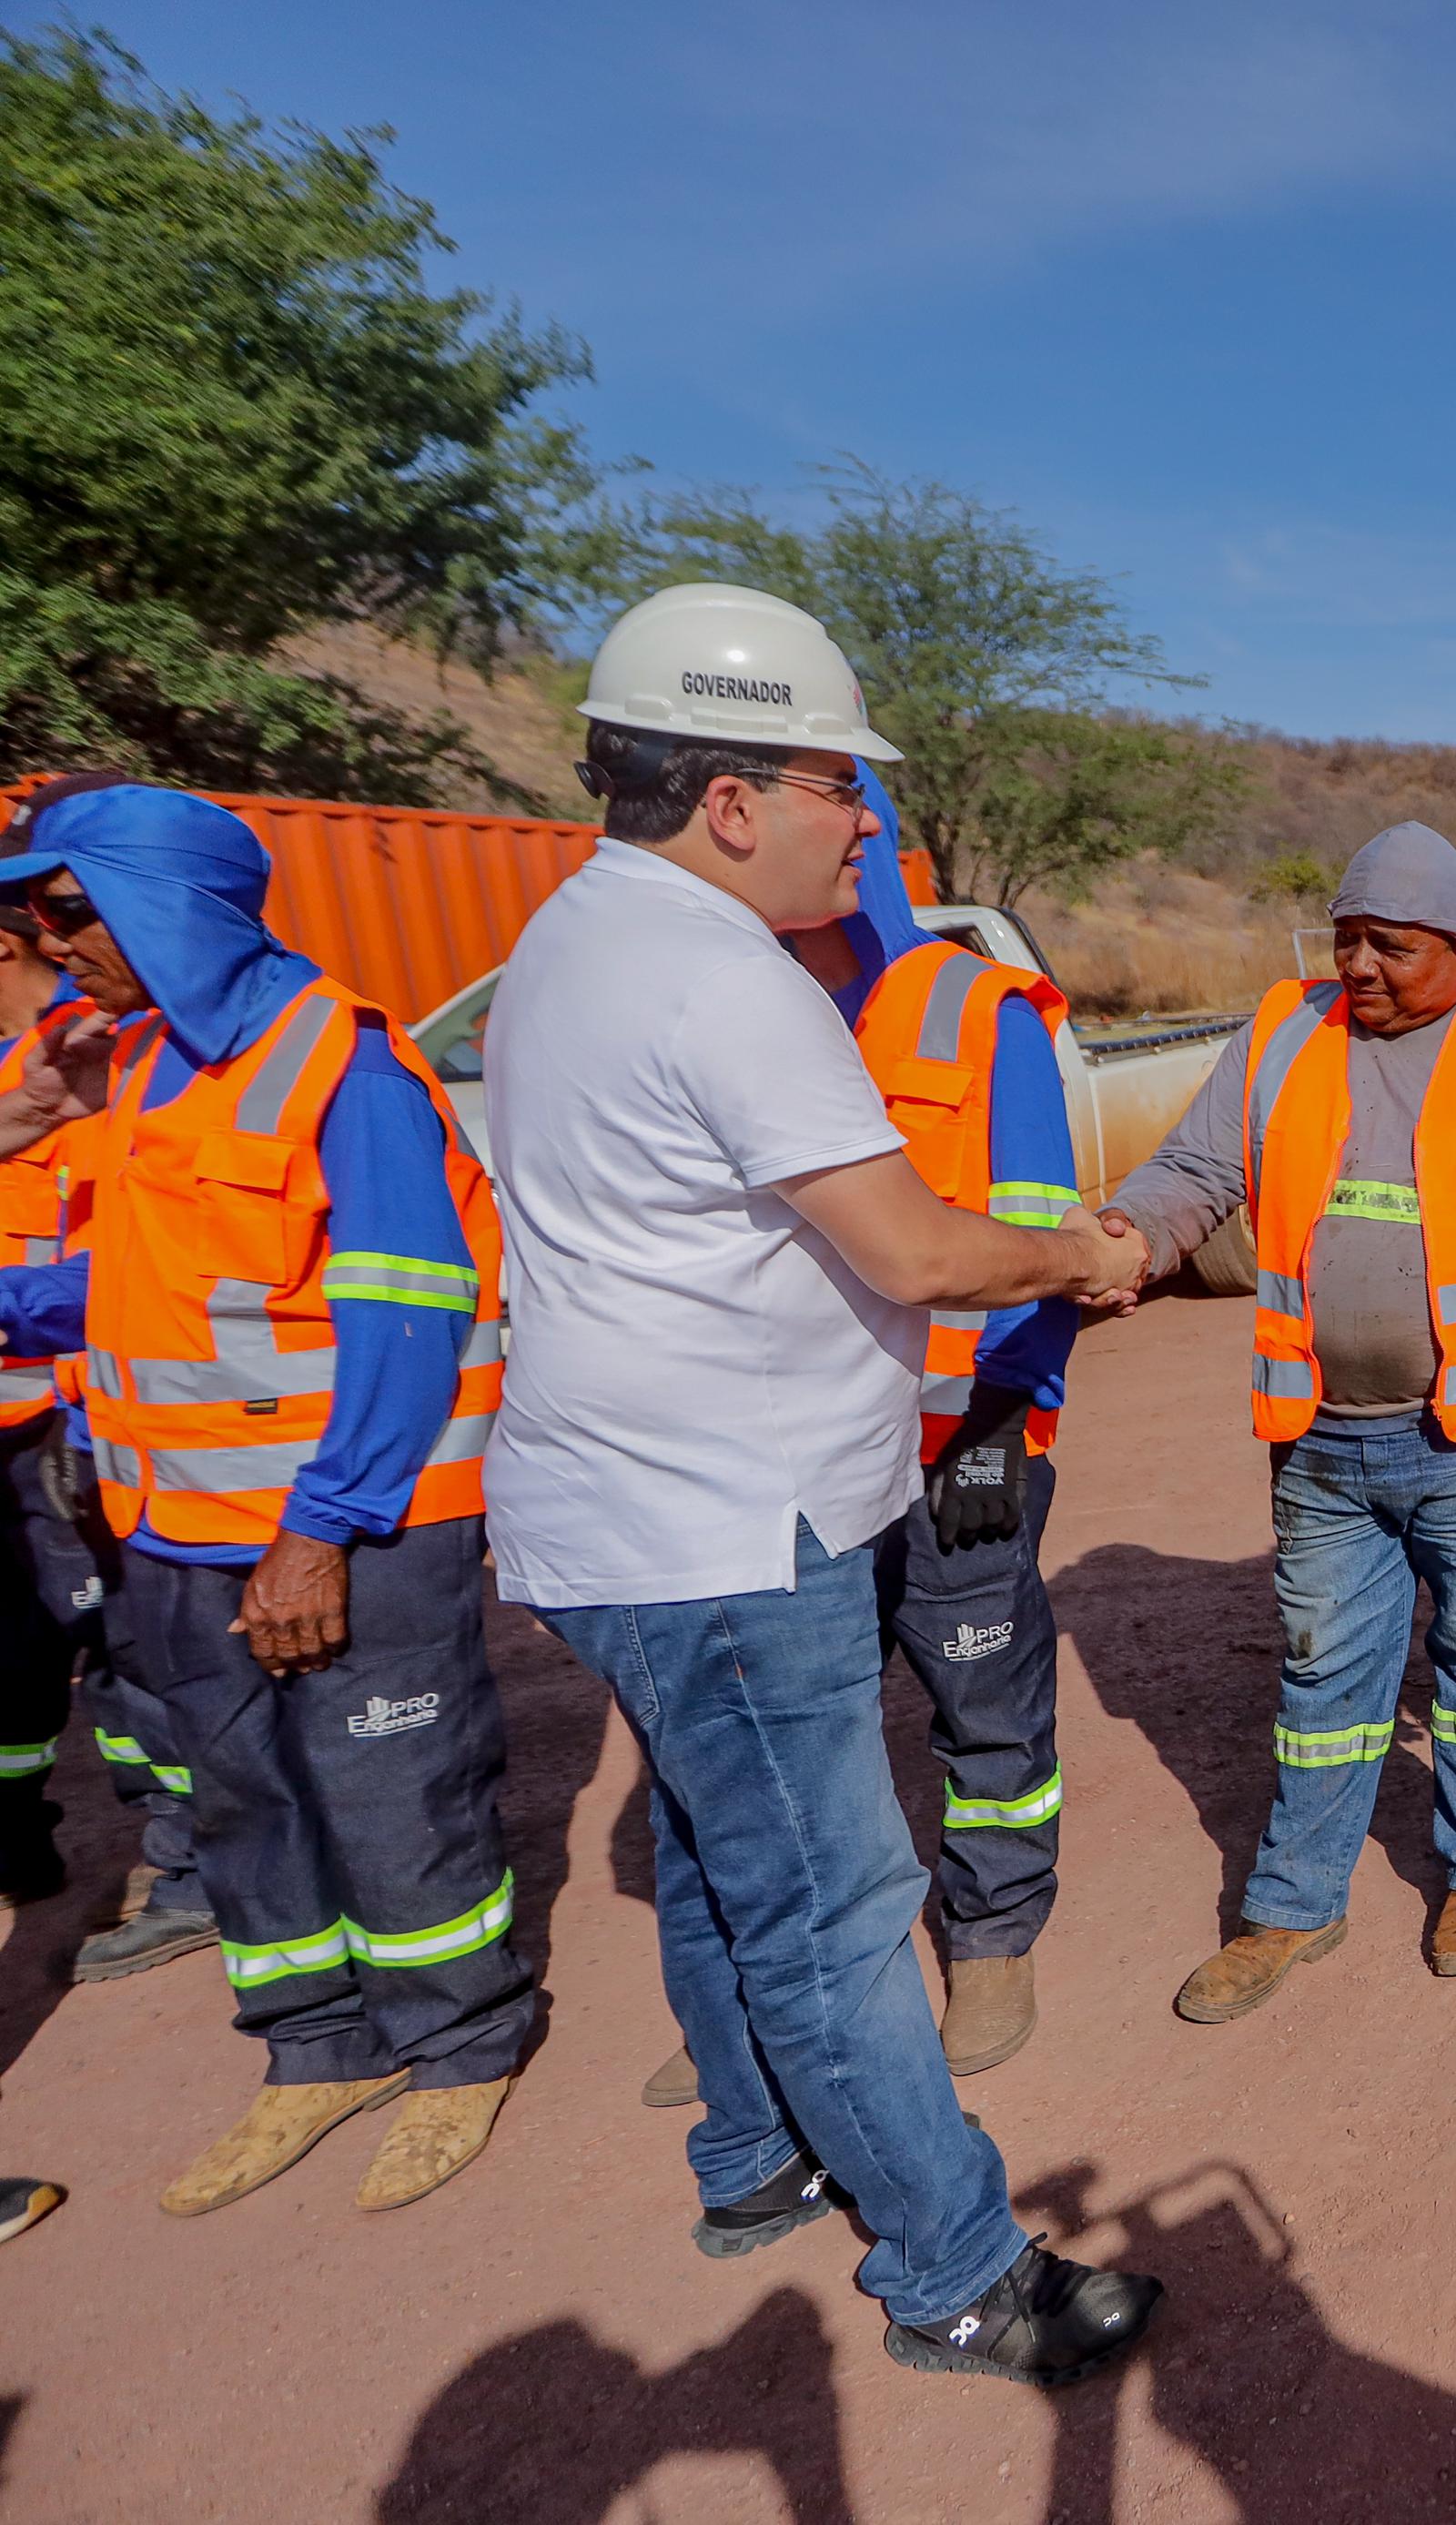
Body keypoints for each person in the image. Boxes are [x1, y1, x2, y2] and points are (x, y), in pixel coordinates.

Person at [484, 583, 1160, 2388]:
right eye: (838, 787)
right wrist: (1082, 1250)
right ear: (729, 798)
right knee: (840, 1909)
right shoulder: (724, 978)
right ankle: (953, 2267)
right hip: (725, 1526)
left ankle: (751, 2154)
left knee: (717, 1866)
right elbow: (922, 1251)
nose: (865, 822)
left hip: (621, 1517)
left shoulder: (570, 940)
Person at [0, 784, 536, 2216]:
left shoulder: (344, 1070)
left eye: (68, 910)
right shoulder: (151, 1066)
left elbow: (407, 1322)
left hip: (347, 1528)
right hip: (176, 1534)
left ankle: (459, 2042)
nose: (50, 944)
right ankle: (317, 2049)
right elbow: (151, 1289)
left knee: (392, 1791)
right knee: (243, 1802)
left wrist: (317, 1532)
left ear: (168, 903)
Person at [1107, 822, 1456, 2003]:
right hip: (1325, 1439)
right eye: (1344, 937)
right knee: (1321, 1677)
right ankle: (1293, 1902)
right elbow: (1197, 1174)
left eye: (1388, 944)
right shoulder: (1284, 1032)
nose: (1357, 965)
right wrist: (1127, 1236)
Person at [633, 766, 1080, 2109]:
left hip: (953, 1444)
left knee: (979, 1692)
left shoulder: (972, 1015)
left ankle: (992, 1932)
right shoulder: (706, 1001)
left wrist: (1002, 1426)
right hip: (773, 1455)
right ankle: (798, 1976)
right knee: (788, 1720)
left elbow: (1046, 1238)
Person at [0, 777, 217, 1987]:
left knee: (157, 1656)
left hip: (132, 1404)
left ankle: (199, 1865)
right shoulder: (64, 1057)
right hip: (76, 1405)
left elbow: (161, 1259)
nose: (67, 939)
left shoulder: (164, 1050)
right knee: (109, 1655)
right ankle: (186, 1860)